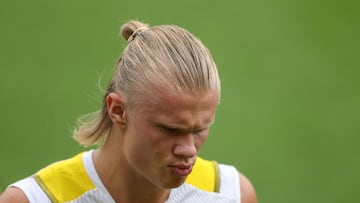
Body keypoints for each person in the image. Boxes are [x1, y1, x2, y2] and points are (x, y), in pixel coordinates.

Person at [0, 20, 257, 203]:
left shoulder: (231, 194)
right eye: (170, 129)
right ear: (119, 110)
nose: (188, 149)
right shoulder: (35, 199)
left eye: (200, 129)